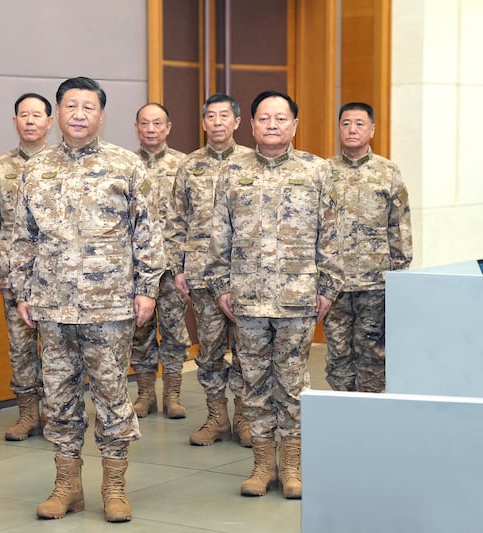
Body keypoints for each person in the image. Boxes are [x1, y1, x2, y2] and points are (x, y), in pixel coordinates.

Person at [9, 77, 164, 523]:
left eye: (88, 107)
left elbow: (147, 235)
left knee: (113, 395)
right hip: (52, 306)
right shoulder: (36, 169)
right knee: (58, 396)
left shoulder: (126, 166)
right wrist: (23, 291)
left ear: (101, 115)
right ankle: (66, 487)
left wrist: (146, 289)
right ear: (58, 113)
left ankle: (114, 488)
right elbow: (22, 237)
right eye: (71, 105)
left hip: (110, 306)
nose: (79, 113)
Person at [208, 91, 342, 499]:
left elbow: (331, 234)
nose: (272, 125)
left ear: (294, 126)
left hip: (298, 297)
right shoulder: (231, 171)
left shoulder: (317, 171)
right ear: (251, 126)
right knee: (253, 380)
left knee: (293, 382)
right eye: (264, 118)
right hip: (246, 298)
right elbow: (218, 235)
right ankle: (262, 465)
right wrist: (220, 285)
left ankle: (292, 465)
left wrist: (329, 287)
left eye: (280, 118)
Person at [166, 93, 254, 447]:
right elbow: (176, 218)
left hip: (247, 275)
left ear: (237, 122)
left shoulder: (253, 162)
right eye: (211, 117)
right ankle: (217, 417)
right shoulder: (189, 165)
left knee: (249, 350)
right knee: (210, 349)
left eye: (224, 116)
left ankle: (246, 418)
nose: (217, 122)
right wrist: (178, 266)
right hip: (202, 274)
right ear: (203, 123)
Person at [324, 102, 412, 392]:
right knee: (338, 354)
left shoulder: (388, 172)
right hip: (335, 284)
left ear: (372, 129)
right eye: (346, 123)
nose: (352, 129)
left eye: (360, 124)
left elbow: (399, 225)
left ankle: (370, 417)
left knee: (372, 353)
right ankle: (342, 414)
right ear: (338, 128)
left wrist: (400, 274)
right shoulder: (324, 171)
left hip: (376, 282)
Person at [0, 93, 54, 441]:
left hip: (57, 274)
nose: (29, 120)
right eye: (23, 115)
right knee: (21, 345)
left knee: (58, 347)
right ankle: (28, 414)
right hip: (15, 274)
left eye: (36, 114)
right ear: (15, 122)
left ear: (49, 122)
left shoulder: (60, 163)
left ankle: (57, 413)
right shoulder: (0, 166)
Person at [130, 102, 190, 420]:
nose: (151, 129)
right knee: (139, 331)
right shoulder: (125, 164)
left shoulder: (184, 165)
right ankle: (144, 394)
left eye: (157, 123)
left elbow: (191, 216)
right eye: (144, 123)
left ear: (168, 127)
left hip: (172, 266)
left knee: (174, 330)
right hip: (136, 266)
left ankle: (173, 394)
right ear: (136, 127)